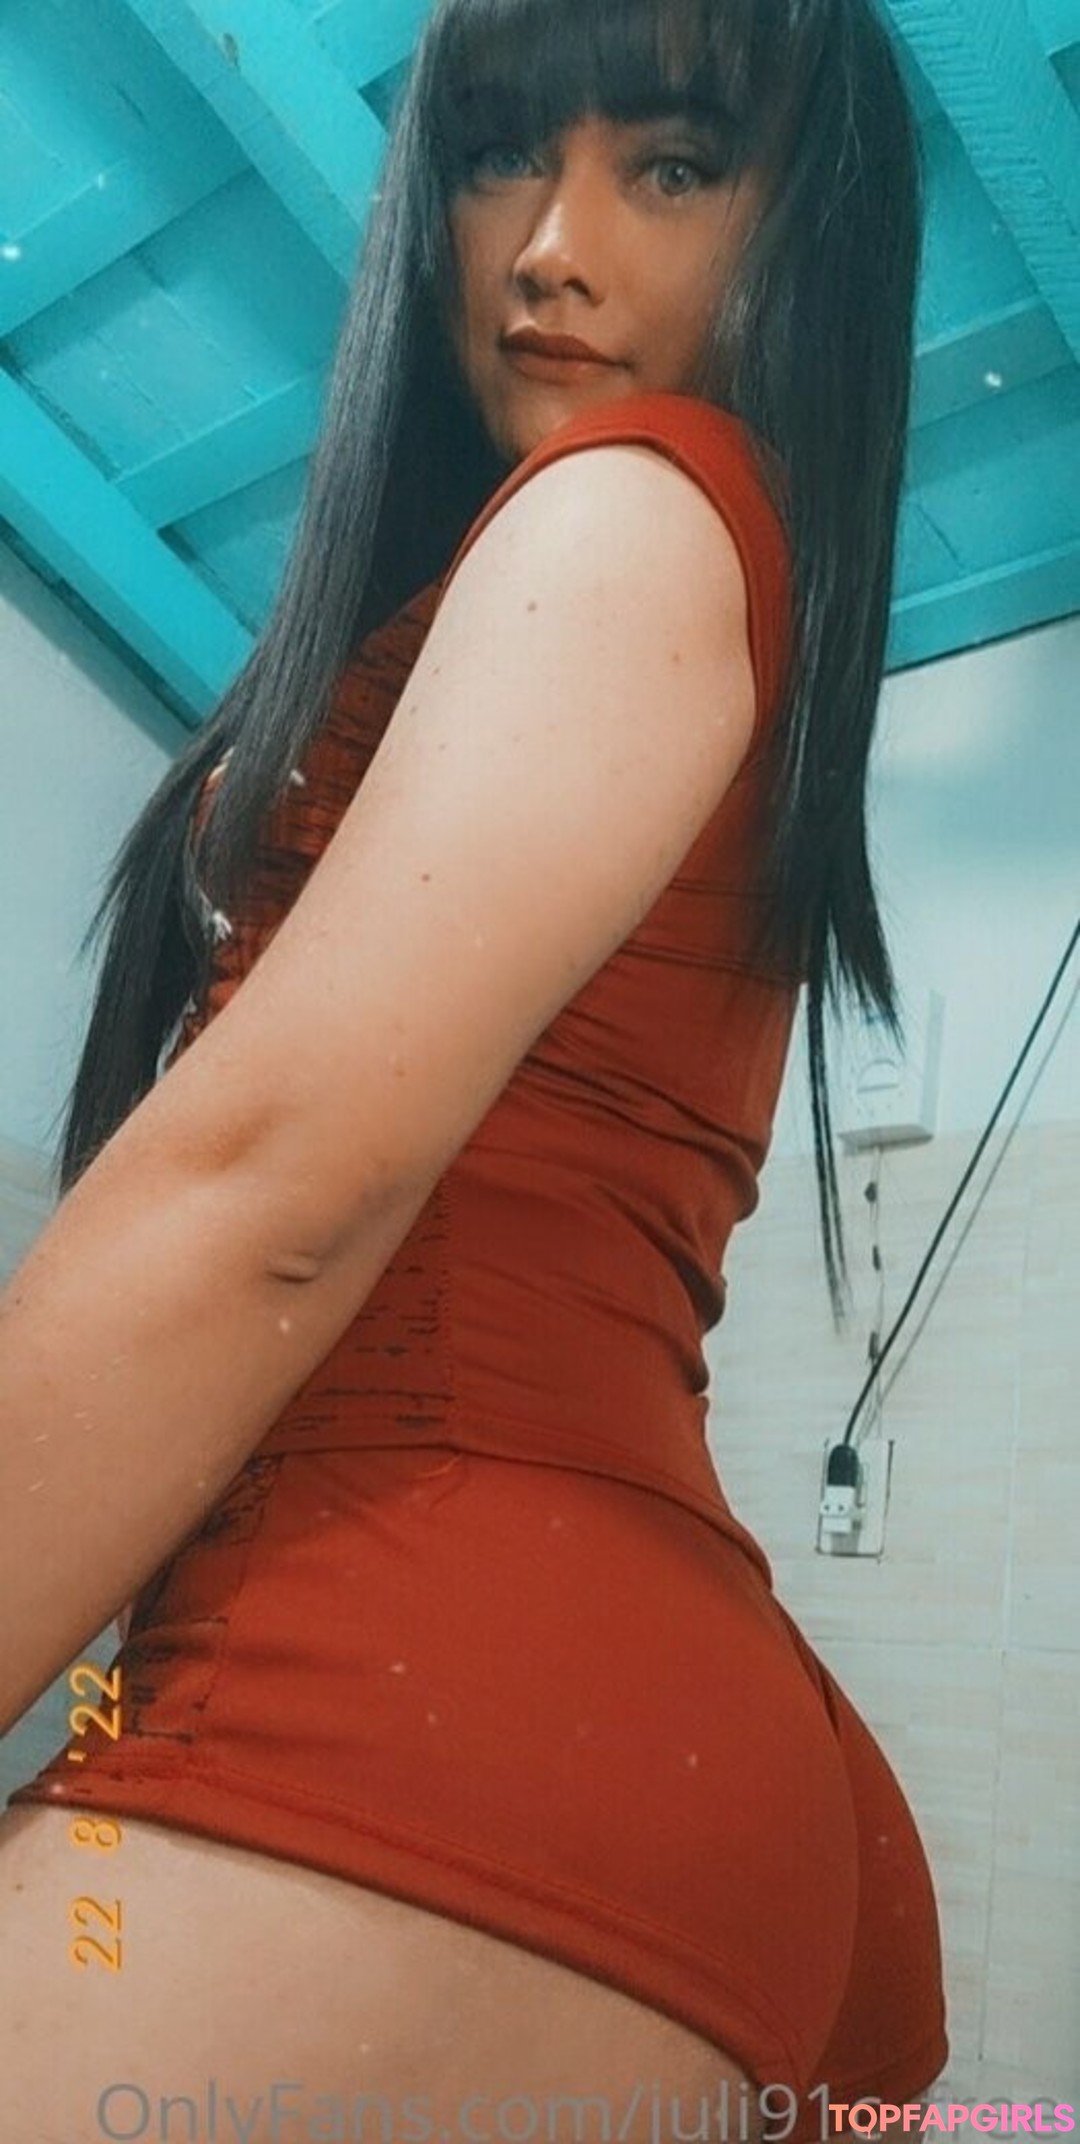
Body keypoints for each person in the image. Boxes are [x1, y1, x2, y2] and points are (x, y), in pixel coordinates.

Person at [0, 0, 948, 2132]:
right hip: (591, 1715)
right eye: (502, 154)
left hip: (453, 1687)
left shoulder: (634, 509)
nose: (549, 247)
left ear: (808, 234)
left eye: (674, 167)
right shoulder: (641, 575)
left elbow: (269, 1188)